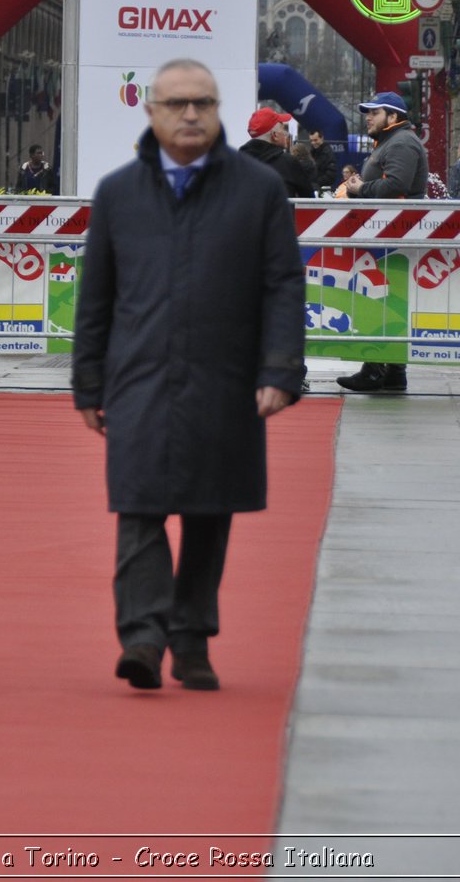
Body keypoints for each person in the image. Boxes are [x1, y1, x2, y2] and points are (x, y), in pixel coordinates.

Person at [72, 57, 304, 691]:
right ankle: (143, 638)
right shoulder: (119, 192)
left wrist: (280, 367)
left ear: (219, 109)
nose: (191, 114)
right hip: (139, 377)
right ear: (152, 112)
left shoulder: (258, 190)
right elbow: (95, 298)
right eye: (177, 103)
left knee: (210, 510)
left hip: (225, 377)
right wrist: (87, 383)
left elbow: (283, 284)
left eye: (202, 102)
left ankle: (192, 637)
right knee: (139, 507)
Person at [335, 90, 428, 394]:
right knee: (390, 295)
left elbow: (396, 185)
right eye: (368, 113)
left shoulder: (401, 142)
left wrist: (360, 187)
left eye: (374, 113)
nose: (368, 118)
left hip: (394, 232)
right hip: (389, 232)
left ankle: (375, 369)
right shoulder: (392, 142)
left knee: (383, 295)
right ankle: (393, 371)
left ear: (393, 117)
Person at [240, 108, 312, 197]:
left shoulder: (237, 164)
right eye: (283, 129)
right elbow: (308, 199)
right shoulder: (289, 163)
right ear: (275, 135)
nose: (286, 133)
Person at [307, 129, 339, 194]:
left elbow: (331, 175)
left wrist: (315, 182)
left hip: (323, 190)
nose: (313, 143)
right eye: (311, 140)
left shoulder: (328, 153)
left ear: (322, 138)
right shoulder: (311, 152)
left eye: (315, 140)